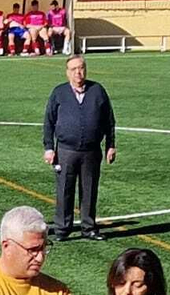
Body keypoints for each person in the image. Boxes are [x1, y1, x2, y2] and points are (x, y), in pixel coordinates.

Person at [42, 56, 116, 241]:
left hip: (91, 151)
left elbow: (109, 121)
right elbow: (48, 122)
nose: (78, 72)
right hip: (66, 151)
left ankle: (89, 227)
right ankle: (62, 229)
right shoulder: (59, 93)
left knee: (89, 190)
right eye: (74, 69)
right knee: (64, 189)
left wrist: (111, 145)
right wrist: (49, 147)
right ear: (67, 72)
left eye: (81, 68)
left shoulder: (97, 91)